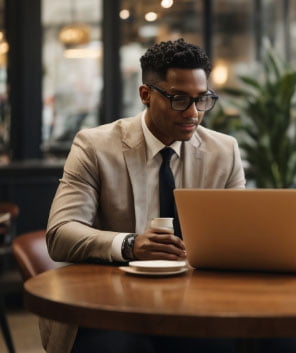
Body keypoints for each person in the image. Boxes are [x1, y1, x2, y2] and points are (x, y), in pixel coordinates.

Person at [44, 39, 245, 353]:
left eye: (201, 99)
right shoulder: (95, 147)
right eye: (179, 99)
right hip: (112, 305)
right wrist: (129, 244)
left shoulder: (224, 151)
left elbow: (239, 235)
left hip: (199, 302)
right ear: (145, 95)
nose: (193, 112)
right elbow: (60, 233)